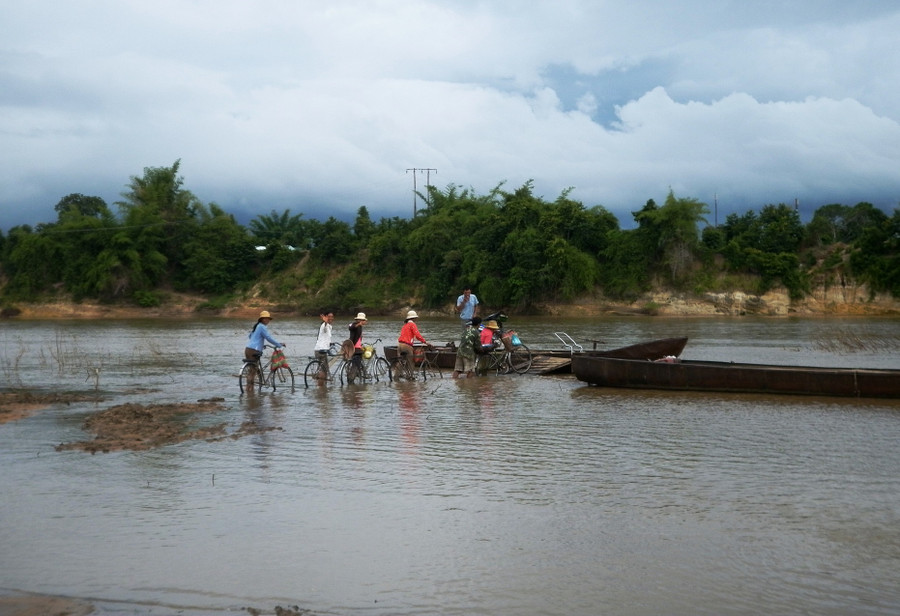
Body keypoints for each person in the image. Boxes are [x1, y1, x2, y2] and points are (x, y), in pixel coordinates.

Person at [245, 310, 285, 387]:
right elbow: (268, 338)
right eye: (266, 318)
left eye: (268, 319)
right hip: (254, 350)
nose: (267, 320)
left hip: (248, 349)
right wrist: (278, 344)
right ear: (262, 319)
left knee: (252, 369)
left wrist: (261, 345)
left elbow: (251, 336)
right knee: (253, 371)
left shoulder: (257, 326)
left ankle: (249, 391)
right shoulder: (262, 327)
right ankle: (249, 389)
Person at [398, 310, 432, 376]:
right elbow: (417, 335)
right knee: (411, 362)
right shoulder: (412, 324)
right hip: (407, 346)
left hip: (400, 345)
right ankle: (411, 376)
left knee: (400, 361)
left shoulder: (405, 325)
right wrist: (425, 342)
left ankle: (397, 376)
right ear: (414, 318)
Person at [313, 309, 334, 378]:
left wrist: (330, 343)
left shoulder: (330, 327)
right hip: (320, 350)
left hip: (322, 350)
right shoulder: (323, 325)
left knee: (323, 369)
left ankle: (320, 384)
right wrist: (325, 322)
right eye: (329, 316)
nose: (331, 318)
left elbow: (325, 337)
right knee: (324, 370)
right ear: (325, 317)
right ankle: (321, 385)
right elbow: (324, 328)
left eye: (332, 317)